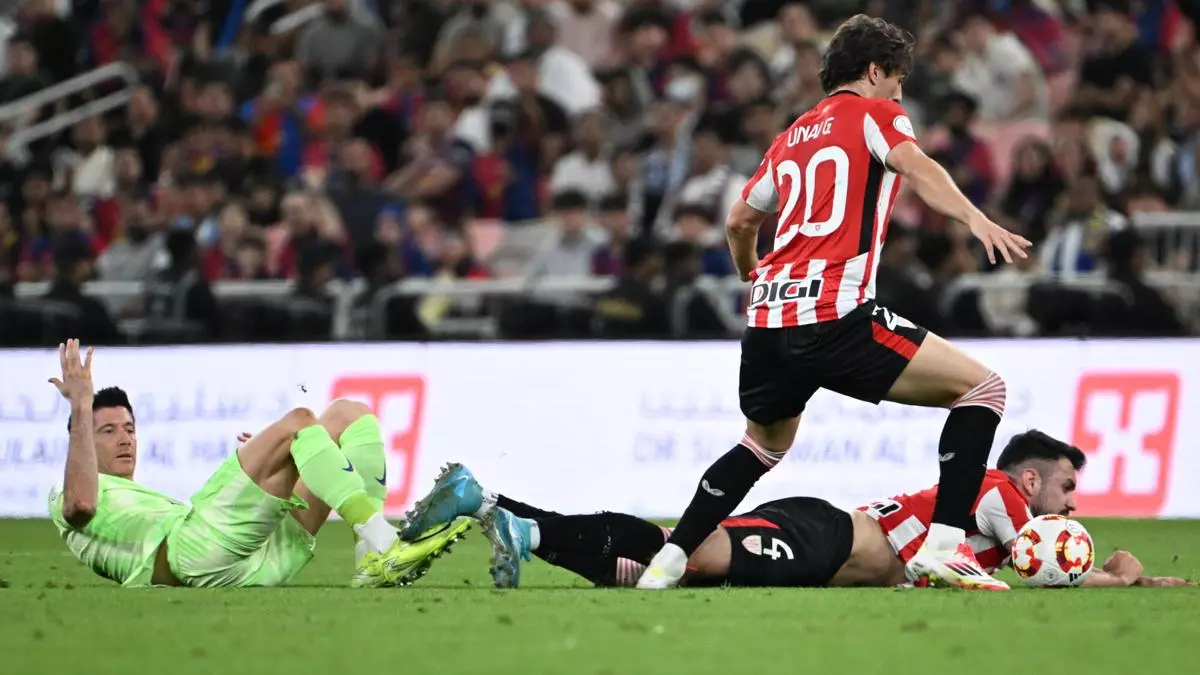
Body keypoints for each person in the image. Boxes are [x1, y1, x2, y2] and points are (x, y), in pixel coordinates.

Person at [636, 14, 1033, 591]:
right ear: (874, 71)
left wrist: (754, 275)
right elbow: (915, 165)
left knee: (762, 444)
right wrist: (974, 216)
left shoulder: (790, 136)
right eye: (896, 78)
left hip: (768, 321)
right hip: (833, 313)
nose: (900, 92)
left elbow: (740, 220)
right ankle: (946, 547)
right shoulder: (877, 114)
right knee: (983, 391)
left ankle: (669, 560)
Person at [401, 431, 1190, 590]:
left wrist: (1129, 574)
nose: (1070, 506)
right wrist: (1125, 575)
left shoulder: (993, 513)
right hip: (825, 534)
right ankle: (506, 509)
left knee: (652, 570)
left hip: (825, 560)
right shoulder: (991, 489)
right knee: (691, 553)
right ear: (1027, 477)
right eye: (1064, 488)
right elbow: (1038, 568)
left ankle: (505, 511)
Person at [47, 339, 469, 588]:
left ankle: (371, 560)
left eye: (130, 428)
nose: (125, 438)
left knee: (347, 414)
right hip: (193, 556)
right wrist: (82, 406)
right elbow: (80, 506)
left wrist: (284, 457)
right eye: (108, 431)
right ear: (81, 436)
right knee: (300, 422)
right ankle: (386, 543)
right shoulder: (68, 497)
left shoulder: (137, 499)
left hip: (256, 565)